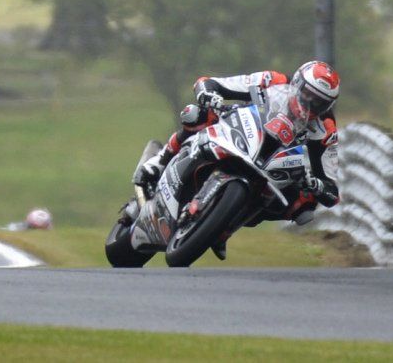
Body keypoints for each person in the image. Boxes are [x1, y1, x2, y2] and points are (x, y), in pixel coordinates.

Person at [134, 61, 342, 257]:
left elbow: (331, 191)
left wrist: (315, 184)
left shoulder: (326, 129)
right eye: (307, 95)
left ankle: (223, 228)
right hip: (243, 131)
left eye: (319, 103)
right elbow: (210, 82)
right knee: (197, 114)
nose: (310, 105)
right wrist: (208, 95)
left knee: (305, 204)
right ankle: (159, 161)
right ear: (297, 84)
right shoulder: (273, 81)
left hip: (275, 166)